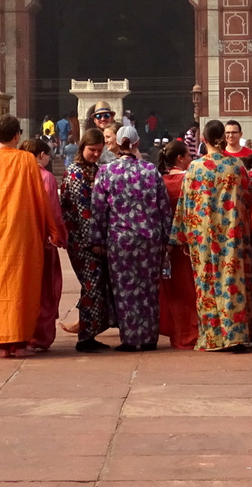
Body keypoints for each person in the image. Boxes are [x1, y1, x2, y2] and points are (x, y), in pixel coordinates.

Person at [0, 114, 62, 359]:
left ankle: (3, 346)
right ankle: (20, 343)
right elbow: (41, 199)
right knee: (23, 289)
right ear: (17, 136)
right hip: (24, 236)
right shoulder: (26, 161)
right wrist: (53, 230)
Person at [170, 119, 251, 352]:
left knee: (207, 282)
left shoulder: (195, 168)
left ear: (203, 140)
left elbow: (185, 204)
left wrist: (181, 236)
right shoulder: (236, 166)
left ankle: (214, 337)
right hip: (232, 234)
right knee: (233, 281)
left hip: (202, 235)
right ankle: (235, 335)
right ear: (224, 138)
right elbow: (247, 199)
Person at [91, 125, 171, 352]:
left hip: (120, 241)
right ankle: (148, 338)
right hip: (149, 240)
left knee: (125, 290)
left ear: (117, 143)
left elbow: (98, 209)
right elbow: (164, 208)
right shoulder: (150, 171)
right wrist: (168, 238)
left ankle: (130, 339)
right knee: (148, 289)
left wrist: (97, 240)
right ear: (136, 144)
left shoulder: (106, 172)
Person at [61, 127, 114, 352]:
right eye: (92, 150)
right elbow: (84, 212)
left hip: (96, 239)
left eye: (99, 150)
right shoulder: (74, 173)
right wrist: (94, 242)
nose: (95, 154)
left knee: (95, 285)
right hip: (81, 240)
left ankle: (89, 333)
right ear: (82, 147)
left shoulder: (96, 170)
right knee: (92, 285)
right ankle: (85, 337)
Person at [19, 137, 68, 352]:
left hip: (20, 243)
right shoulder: (46, 178)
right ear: (41, 155)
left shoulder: (17, 176)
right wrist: (60, 236)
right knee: (46, 291)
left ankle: (22, 333)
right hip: (43, 243)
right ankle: (40, 336)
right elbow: (54, 213)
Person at [156, 141, 198, 351]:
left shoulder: (161, 181)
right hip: (186, 244)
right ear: (180, 158)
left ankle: (176, 333)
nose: (191, 159)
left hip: (166, 244)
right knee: (189, 290)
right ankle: (190, 334)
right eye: (188, 156)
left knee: (172, 291)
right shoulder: (188, 180)